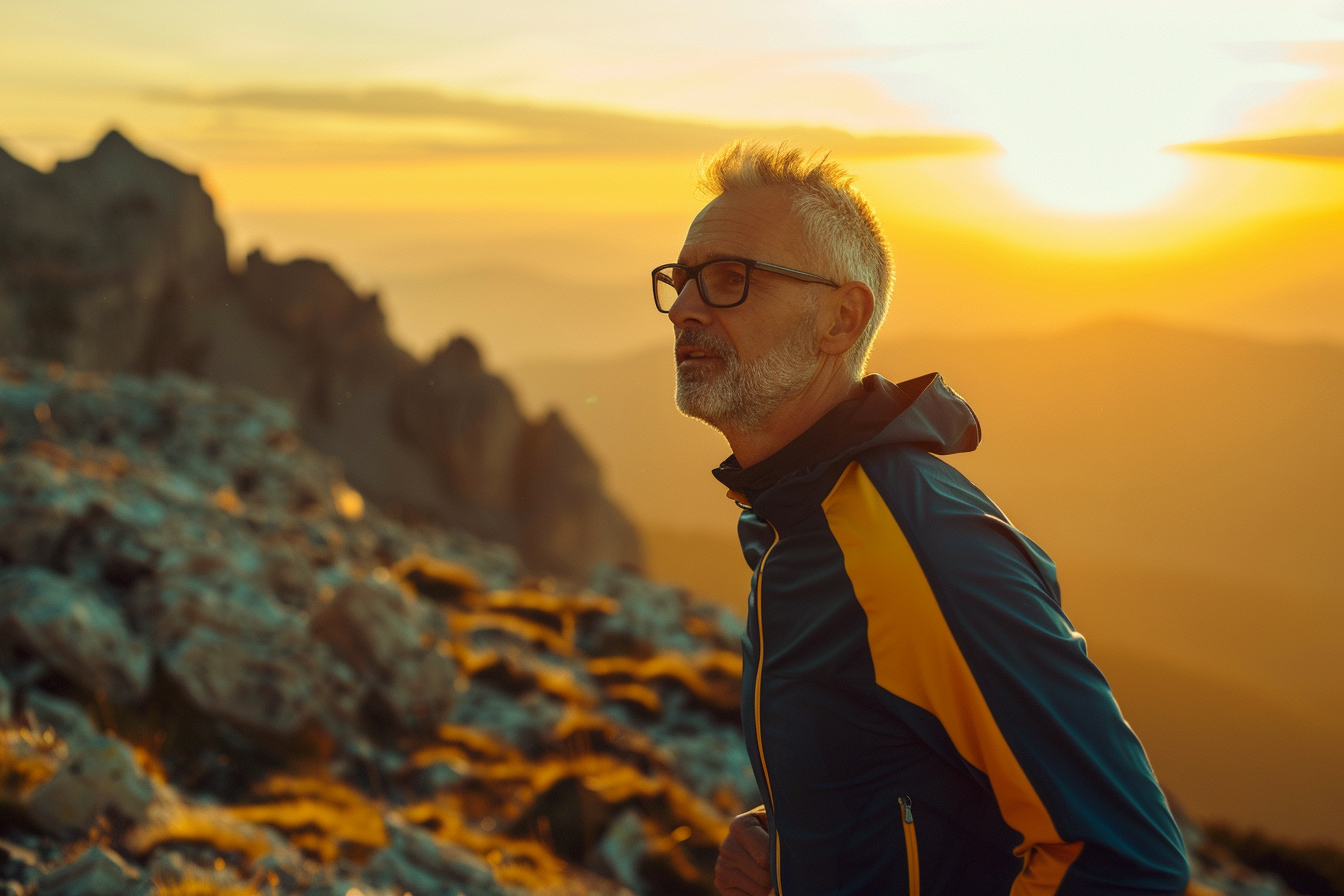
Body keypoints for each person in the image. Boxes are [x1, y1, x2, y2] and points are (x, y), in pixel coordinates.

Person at [652, 141, 1191, 896]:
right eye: (680, 281)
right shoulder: (792, 523)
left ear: (842, 319)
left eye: (729, 279)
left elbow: (1128, 865)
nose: (684, 307)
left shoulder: (923, 548)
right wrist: (802, 851)